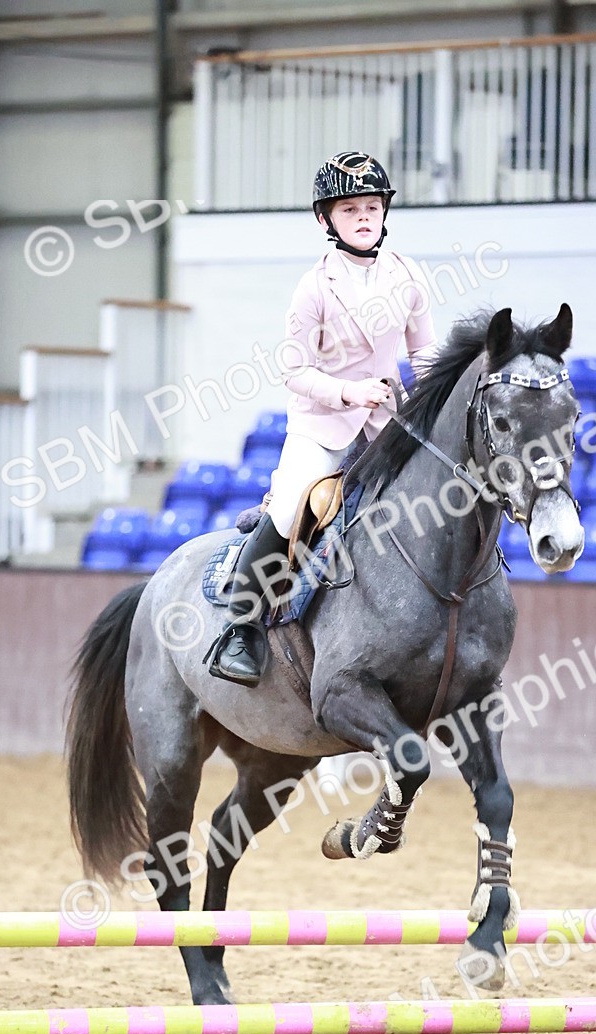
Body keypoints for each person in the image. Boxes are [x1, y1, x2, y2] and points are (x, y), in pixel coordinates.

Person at [207, 150, 437, 687]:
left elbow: (424, 355)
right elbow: (294, 371)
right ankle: (242, 629)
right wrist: (348, 392)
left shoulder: (407, 276)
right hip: (323, 427)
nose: (363, 217)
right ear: (325, 219)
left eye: (372, 206)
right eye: (351, 207)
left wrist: (431, 405)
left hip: (386, 424)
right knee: (289, 510)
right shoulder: (312, 288)